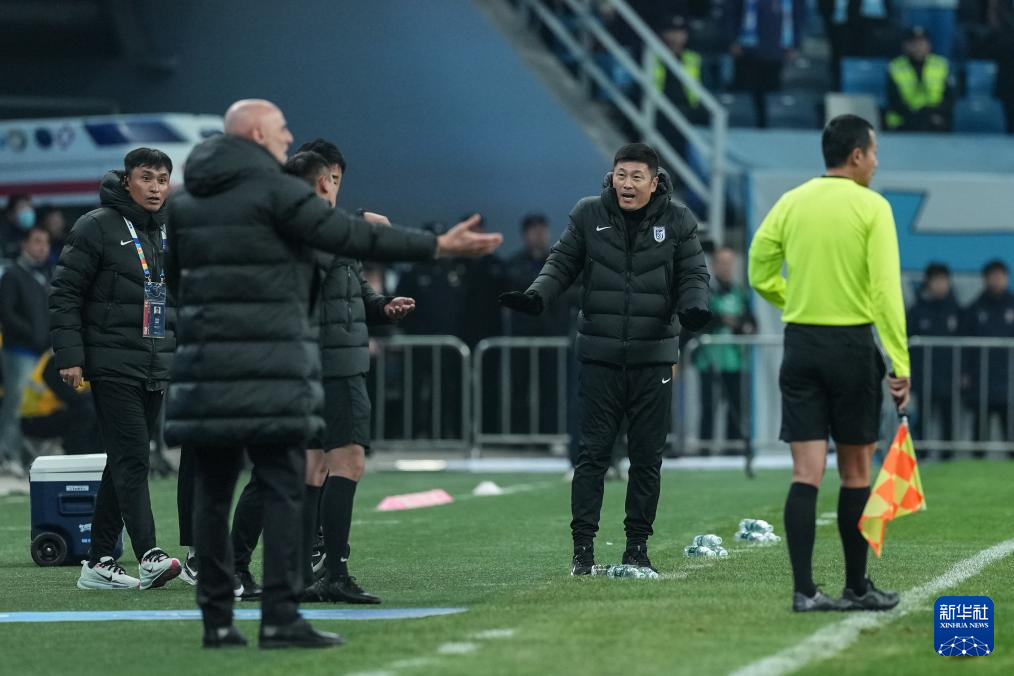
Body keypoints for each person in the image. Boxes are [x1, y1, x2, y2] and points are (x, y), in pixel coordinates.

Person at [165, 99, 501, 650]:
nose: (287, 137)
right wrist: (438, 245)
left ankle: (217, 622)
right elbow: (355, 237)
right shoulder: (279, 193)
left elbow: (177, 283)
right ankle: (280, 617)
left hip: (207, 365)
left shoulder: (184, 203)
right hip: (271, 363)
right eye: (280, 129)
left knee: (214, 490)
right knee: (284, 484)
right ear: (256, 134)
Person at [500, 143, 711, 576]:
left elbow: (693, 273)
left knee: (647, 458)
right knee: (592, 455)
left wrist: (694, 307)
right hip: (600, 356)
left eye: (636, 177)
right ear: (611, 177)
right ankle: (582, 551)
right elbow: (561, 263)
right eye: (621, 175)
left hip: (654, 358)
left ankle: (637, 548)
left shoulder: (679, 220)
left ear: (654, 182)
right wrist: (537, 296)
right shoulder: (588, 214)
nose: (627, 184)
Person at [748, 114, 910, 613]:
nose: (876, 163)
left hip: (801, 343)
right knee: (857, 471)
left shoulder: (791, 201)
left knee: (806, 472)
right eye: (874, 153)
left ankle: (804, 591)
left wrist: (797, 297)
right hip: (851, 346)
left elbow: (758, 269)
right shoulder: (872, 206)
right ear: (857, 155)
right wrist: (899, 363)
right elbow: (885, 291)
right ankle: (856, 587)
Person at [286, 144, 415, 606]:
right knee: (348, 462)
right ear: (326, 181)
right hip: (333, 364)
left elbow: (354, 290)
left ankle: (301, 572)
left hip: (320, 362)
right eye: (334, 180)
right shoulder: (314, 230)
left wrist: (383, 307)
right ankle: (332, 572)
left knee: (313, 467)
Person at [50, 148, 181, 591]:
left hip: (154, 360)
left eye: (162, 179)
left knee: (123, 459)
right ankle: (149, 555)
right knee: (134, 457)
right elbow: (65, 292)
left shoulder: (167, 229)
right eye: (146, 178)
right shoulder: (97, 225)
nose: (156, 188)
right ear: (127, 181)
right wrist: (70, 355)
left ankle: (98, 560)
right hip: (109, 361)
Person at [692, 246, 755, 455]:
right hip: (709, 360)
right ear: (714, 265)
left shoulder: (739, 292)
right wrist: (724, 319)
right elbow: (701, 320)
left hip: (734, 360)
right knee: (708, 406)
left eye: (729, 263)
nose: (726, 267)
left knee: (735, 406)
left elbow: (750, 322)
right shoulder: (706, 292)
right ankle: (705, 450)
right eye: (722, 262)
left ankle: (733, 450)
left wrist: (736, 323)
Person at [0, 226, 51, 476]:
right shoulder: (12, 275)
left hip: (41, 353)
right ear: (24, 244)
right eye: (37, 241)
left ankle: (26, 455)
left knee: (33, 405)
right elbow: (7, 314)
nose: (43, 247)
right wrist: (32, 335)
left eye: (46, 243)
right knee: (15, 404)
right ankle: (7, 456)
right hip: (18, 352)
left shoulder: (43, 276)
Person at [906, 262, 961, 452]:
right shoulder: (916, 311)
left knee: (949, 418)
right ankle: (921, 453)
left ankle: (949, 456)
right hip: (923, 376)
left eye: (944, 280)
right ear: (928, 282)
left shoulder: (956, 310)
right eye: (936, 280)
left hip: (949, 376)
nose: (940, 285)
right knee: (922, 418)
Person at [725, 0, 805, 128]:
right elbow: (731, 14)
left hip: (779, 48)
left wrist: (796, 43)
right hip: (750, 49)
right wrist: (732, 40)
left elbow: (798, 17)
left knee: (773, 88)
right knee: (754, 88)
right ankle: (757, 122)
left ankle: (773, 123)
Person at [961, 259, 1014, 443]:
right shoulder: (975, 308)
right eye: (993, 276)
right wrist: (965, 372)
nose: (997, 280)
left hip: (1009, 381)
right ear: (985, 279)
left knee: (1010, 433)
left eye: (1001, 276)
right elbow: (965, 344)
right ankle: (977, 458)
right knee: (980, 433)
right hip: (981, 381)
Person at [884, 26, 955, 132]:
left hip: (936, 119)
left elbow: (950, 98)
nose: (918, 47)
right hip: (904, 121)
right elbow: (893, 100)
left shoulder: (942, 65)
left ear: (929, 45)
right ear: (905, 46)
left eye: (921, 43)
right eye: (913, 44)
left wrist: (931, 113)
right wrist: (916, 115)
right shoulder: (895, 66)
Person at [2, 194, 35, 260]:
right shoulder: (3, 236)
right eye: (22, 207)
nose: (27, 211)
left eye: (29, 207)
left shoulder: (38, 233)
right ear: (10, 214)